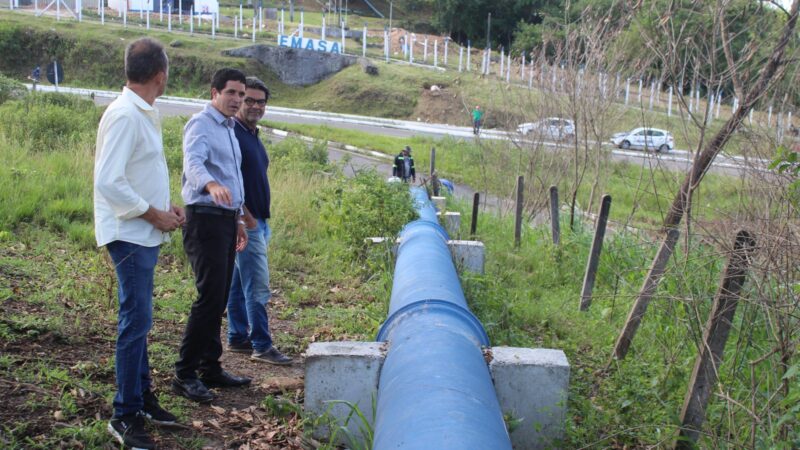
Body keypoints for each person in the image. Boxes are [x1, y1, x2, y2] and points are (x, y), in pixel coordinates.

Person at [94, 37, 184, 450]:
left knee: (141, 321)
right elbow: (108, 182)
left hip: (143, 230)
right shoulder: (127, 115)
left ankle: (142, 398)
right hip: (129, 234)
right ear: (161, 75)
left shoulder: (143, 111)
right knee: (135, 323)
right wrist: (153, 213)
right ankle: (124, 413)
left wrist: (167, 208)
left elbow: (137, 173)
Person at [173, 68, 252, 404]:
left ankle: (210, 367)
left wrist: (238, 220)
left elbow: (232, 179)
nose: (237, 100)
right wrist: (210, 184)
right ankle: (184, 373)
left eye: (241, 95)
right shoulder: (201, 124)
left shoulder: (231, 130)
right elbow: (193, 163)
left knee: (219, 297)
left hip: (224, 220)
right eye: (231, 93)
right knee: (209, 298)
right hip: (203, 219)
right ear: (214, 93)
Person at [226, 76, 292, 365]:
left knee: (239, 283)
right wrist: (246, 218)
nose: (254, 106)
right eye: (248, 100)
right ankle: (262, 345)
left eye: (260, 101)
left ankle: (238, 336)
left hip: (258, 220)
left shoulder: (251, 133)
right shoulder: (234, 135)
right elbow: (228, 180)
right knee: (257, 285)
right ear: (239, 100)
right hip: (246, 221)